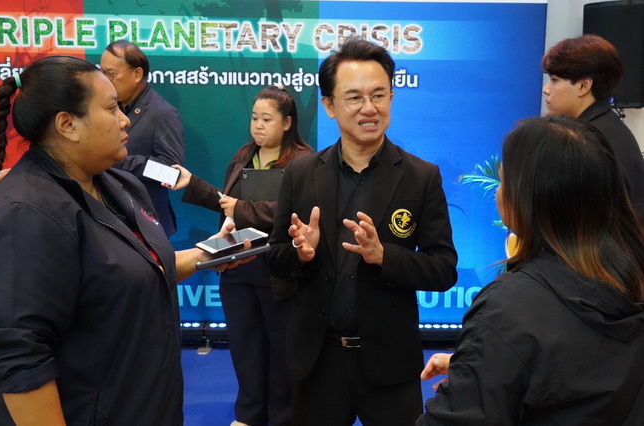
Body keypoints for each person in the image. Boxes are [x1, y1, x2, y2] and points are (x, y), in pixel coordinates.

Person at [0, 55, 249, 425]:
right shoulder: (22, 215)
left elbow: (139, 269)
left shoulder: (119, 185)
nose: (124, 120)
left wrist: (209, 253)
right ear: (67, 124)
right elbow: (20, 363)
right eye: (110, 108)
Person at [266, 37, 458, 425]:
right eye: (354, 98)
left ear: (391, 98)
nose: (369, 108)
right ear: (329, 105)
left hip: (389, 363)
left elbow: (442, 270)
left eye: (379, 95)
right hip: (317, 360)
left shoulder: (421, 177)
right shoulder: (301, 173)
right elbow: (276, 259)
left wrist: (384, 256)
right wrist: (301, 254)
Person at [417, 116, 644, 426]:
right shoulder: (631, 278)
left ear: (528, 198)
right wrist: (483, 364)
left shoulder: (508, 310)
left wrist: (479, 372)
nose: (498, 192)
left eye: (503, 181)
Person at [168, 85, 313, 426]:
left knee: (281, 350)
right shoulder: (245, 154)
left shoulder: (304, 161)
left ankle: (282, 417)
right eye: (254, 117)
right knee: (245, 347)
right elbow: (227, 206)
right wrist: (193, 184)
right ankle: (249, 414)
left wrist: (243, 209)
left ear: (287, 123)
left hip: (278, 271)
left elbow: (295, 211)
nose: (258, 125)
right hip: (237, 269)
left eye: (267, 119)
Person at [542, 34, 644, 224]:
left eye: (554, 80)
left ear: (584, 86)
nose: (546, 89)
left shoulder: (591, 141)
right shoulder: (608, 128)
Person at [100, 40, 185, 237]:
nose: (104, 80)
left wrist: (118, 161)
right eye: (101, 72)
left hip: (147, 225)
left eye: (111, 74)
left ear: (137, 74)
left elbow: (171, 172)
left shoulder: (162, 113)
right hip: (111, 218)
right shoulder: (108, 107)